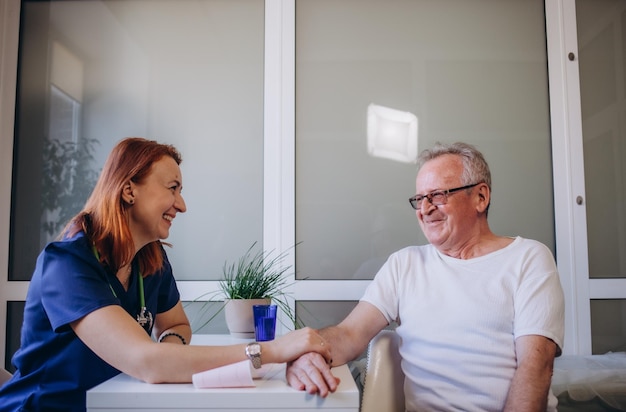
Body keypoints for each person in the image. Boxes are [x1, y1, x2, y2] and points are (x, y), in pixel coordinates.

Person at [0, 137, 331, 412]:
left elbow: (175, 325)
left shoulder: (150, 259)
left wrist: (170, 349)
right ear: (129, 190)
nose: (182, 205)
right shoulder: (67, 264)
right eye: (173, 188)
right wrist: (272, 350)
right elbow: (146, 362)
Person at [286, 142, 565, 411]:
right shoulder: (405, 264)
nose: (425, 209)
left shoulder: (528, 258)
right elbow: (348, 334)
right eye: (419, 198)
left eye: (439, 195)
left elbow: (536, 367)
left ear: (481, 197)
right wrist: (305, 352)